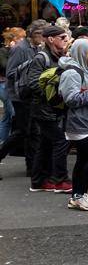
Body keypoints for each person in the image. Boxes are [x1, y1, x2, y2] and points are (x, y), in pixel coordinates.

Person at [58, 38, 88, 210]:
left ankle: (78, 195)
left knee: (83, 158)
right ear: (81, 53)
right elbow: (71, 100)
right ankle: (79, 195)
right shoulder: (71, 73)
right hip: (78, 123)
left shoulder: (86, 69)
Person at [25, 25, 72, 193]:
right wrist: (55, 93)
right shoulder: (41, 58)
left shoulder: (59, 56)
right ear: (51, 39)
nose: (66, 41)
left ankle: (38, 182)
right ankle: (60, 179)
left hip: (52, 109)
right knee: (61, 141)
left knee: (45, 145)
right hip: (43, 110)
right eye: (63, 38)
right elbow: (33, 84)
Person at [1, 20, 45, 168]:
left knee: (32, 131)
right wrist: (32, 63)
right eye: (39, 33)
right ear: (31, 34)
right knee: (23, 131)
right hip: (19, 95)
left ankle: (32, 166)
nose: (41, 36)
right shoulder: (20, 48)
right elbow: (11, 73)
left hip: (31, 94)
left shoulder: (37, 47)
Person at [0, 27, 25, 151]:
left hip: (8, 85)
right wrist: (11, 50)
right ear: (14, 38)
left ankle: (3, 140)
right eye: (21, 37)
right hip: (5, 85)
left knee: (7, 115)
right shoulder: (4, 50)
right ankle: (8, 145)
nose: (23, 40)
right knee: (13, 115)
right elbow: (6, 66)